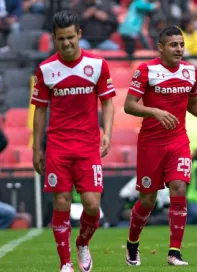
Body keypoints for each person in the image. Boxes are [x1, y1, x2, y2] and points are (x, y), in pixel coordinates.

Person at [123, 25, 197, 266]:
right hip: (151, 144)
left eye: (181, 44)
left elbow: (192, 105)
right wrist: (154, 111)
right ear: (161, 47)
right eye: (173, 45)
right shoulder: (146, 70)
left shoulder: (191, 72)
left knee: (179, 188)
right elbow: (129, 105)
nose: (179, 49)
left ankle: (174, 252)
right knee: (147, 200)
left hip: (178, 140)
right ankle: (132, 243)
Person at [31, 10, 116, 272]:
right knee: (61, 203)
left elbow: (108, 102)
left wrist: (108, 133)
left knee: (92, 206)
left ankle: (82, 242)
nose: (67, 43)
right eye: (61, 39)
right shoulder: (46, 69)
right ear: (54, 39)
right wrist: (37, 148)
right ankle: (65, 263)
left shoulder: (98, 65)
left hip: (88, 145)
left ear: (79, 34)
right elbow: (40, 110)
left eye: (70, 37)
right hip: (58, 146)